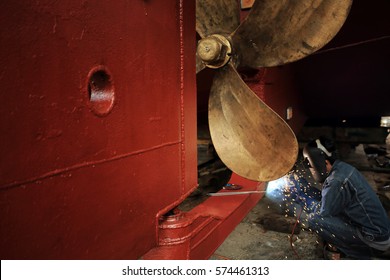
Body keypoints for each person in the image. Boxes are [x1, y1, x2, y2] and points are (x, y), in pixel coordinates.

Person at [290, 136, 390, 259]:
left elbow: (322, 212)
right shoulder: (341, 168)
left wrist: (302, 197)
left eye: (310, 165)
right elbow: (325, 199)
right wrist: (301, 185)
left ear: (325, 162)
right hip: (378, 232)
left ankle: (357, 255)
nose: (310, 169)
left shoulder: (336, 181)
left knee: (315, 219)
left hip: (374, 241)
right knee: (318, 206)